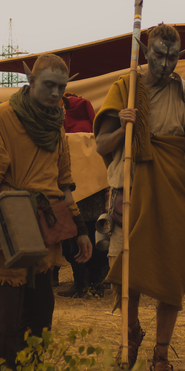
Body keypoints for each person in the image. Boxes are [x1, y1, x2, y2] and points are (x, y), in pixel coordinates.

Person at [0, 53, 92, 371]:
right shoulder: (3, 116)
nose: (55, 94)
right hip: (11, 219)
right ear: (31, 81)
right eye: (49, 86)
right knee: (6, 312)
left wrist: (80, 229)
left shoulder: (56, 122)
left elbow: (63, 182)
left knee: (41, 308)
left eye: (61, 88)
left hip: (45, 224)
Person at [94, 23, 185, 371]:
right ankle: (131, 335)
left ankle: (161, 354)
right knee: (125, 269)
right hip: (130, 191)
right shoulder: (125, 89)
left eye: (172, 57)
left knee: (170, 272)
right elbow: (101, 145)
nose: (165, 64)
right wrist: (123, 126)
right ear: (146, 52)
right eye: (159, 55)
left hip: (173, 190)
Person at [58, 91, 110, 299]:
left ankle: (81, 282)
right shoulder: (96, 136)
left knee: (72, 238)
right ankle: (97, 282)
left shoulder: (64, 136)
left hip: (72, 197)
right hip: (96, 197)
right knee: (97, 237)